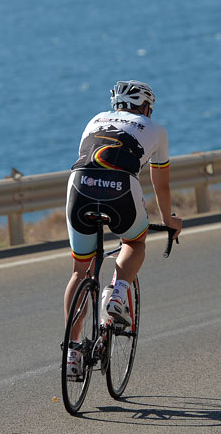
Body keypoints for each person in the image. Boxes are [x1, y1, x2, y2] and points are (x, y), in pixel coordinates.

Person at [64, 80, 182, 380]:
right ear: (146, 107)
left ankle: (72, 352)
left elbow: (90, 160)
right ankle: (117, 294)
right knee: (134, 243)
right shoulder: (155, 129)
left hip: (79, 187)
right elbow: (161, 183)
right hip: (120, 189)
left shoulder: (94, 119)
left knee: (80, 272)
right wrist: (168, 218)